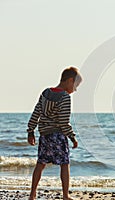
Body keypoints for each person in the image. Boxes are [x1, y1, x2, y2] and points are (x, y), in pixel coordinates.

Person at [26, 67, 82, 200]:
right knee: (64, 163)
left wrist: (30, 131)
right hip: (58, 136)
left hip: (45, 135)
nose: (75, 89)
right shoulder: (65, 97)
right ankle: (65, 195)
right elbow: (64, 122)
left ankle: (32, 194)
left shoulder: (45, 93)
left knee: (40, 163)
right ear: (70, 81)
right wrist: (72, 137)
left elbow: (36, 112)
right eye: (76, 85)